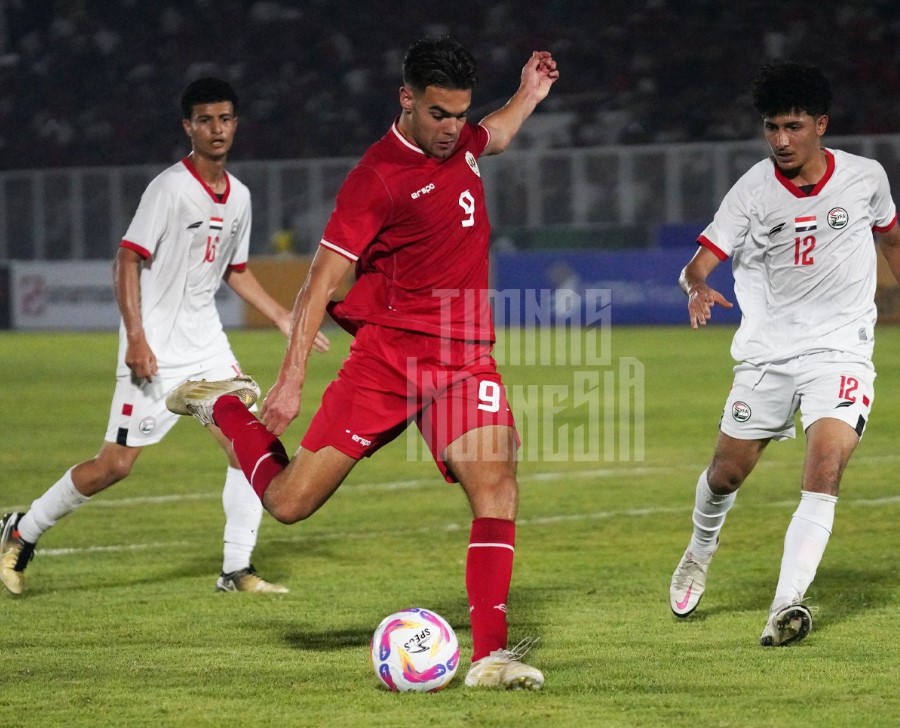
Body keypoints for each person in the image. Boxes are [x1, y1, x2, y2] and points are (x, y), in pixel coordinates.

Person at [163, 37, 558, 690]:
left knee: (497, 486)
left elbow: (497, 134)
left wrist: (529, 95)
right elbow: (318, 285)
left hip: (463, 362)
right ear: (406, 99)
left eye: (458, 114)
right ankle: (222, 405)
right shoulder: (375, 178)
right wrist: (288, 385)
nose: (450, 130)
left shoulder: (460, 140)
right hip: (388, 364)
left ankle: (491, 657)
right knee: (289, 503)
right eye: (437, 114)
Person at [0, 78, 329, 597]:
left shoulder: (240, 196)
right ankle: (21, 530)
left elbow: (235, 270)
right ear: (188, 127)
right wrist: (136, 339)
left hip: (207, 343)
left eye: (224, 119)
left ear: (235, 124)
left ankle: (235, 569)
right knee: (115, 466)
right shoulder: (169, 188)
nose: (216, 129)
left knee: (247, 447)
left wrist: (283, 317)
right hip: (154, 348)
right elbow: (127, 258)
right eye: (205, 120)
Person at [669, 61, 900, 646]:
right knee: (725, 474)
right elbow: (702, 260)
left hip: (841, 353)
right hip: (767, 355)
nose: (781, 141)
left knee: (825, 471)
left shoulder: (865, 177)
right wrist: (695, 284)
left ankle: (785, 606)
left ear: (820, 124)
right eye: (771, 128)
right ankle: (699, 549)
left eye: (792, 127)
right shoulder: (751, 192)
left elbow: (893, 240)